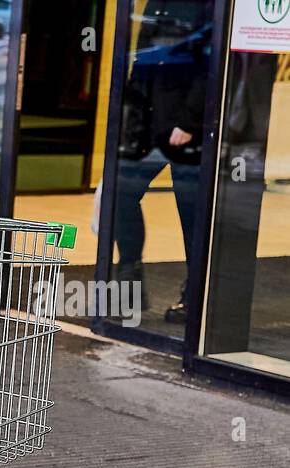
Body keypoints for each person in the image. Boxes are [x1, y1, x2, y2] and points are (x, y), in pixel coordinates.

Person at [114, 2, 213, 325]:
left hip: (188, 128)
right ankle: (128, 282)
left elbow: (211, 62)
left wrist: (190, 121)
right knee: (120, 192)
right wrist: (133, 117)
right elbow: (140, 60)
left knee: (191, 212)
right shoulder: (155, 2)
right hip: (149, 124)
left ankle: (195, 293)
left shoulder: (212, 5)